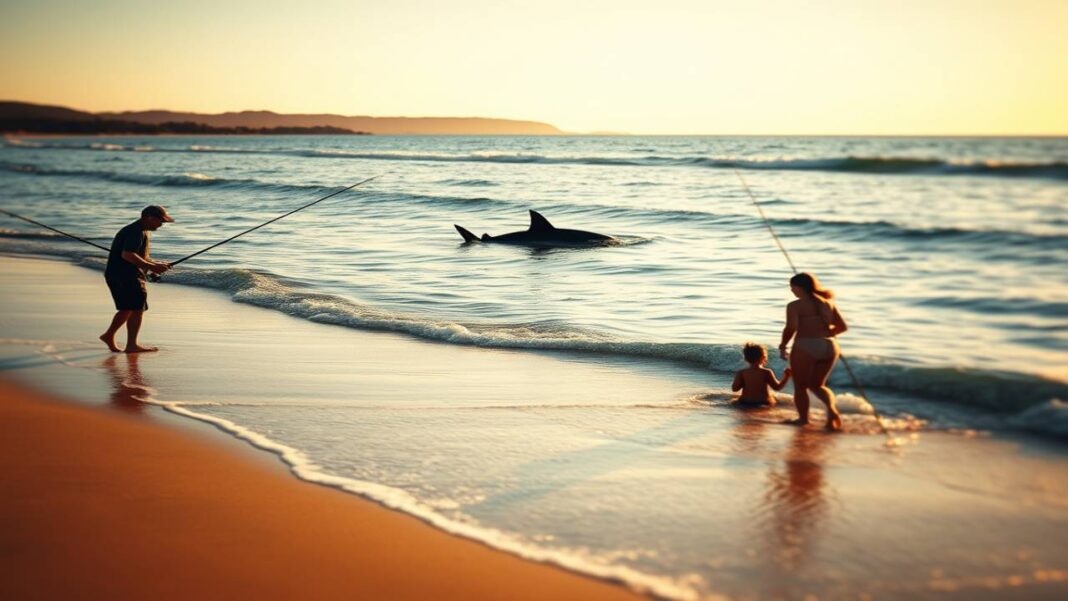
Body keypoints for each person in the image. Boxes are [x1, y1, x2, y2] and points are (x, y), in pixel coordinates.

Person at [778, 272, 848, 430]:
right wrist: (825, 333)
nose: (791, 290)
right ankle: (832, 412)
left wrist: (783, 345)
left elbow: (791, 327)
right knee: (818, 385)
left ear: (799, 287)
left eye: (792, 287)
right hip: (830, 347)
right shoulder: (828, 303)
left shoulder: (795, 305)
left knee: (801, 386)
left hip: (805, 346)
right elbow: (842, 327)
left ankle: (803, 419)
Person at [99, 205, 173, 353]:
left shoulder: (139, 230)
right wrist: (151, 267)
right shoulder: (136, 232)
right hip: (125, 275)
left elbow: (137, 255)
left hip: (118, 274)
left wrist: (155, 264)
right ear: (149, 217)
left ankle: (109, 335)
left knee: (128, 308)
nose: (162, 225)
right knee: (137, 308)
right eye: (161, 221)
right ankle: (131, 345)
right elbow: (127, 254)